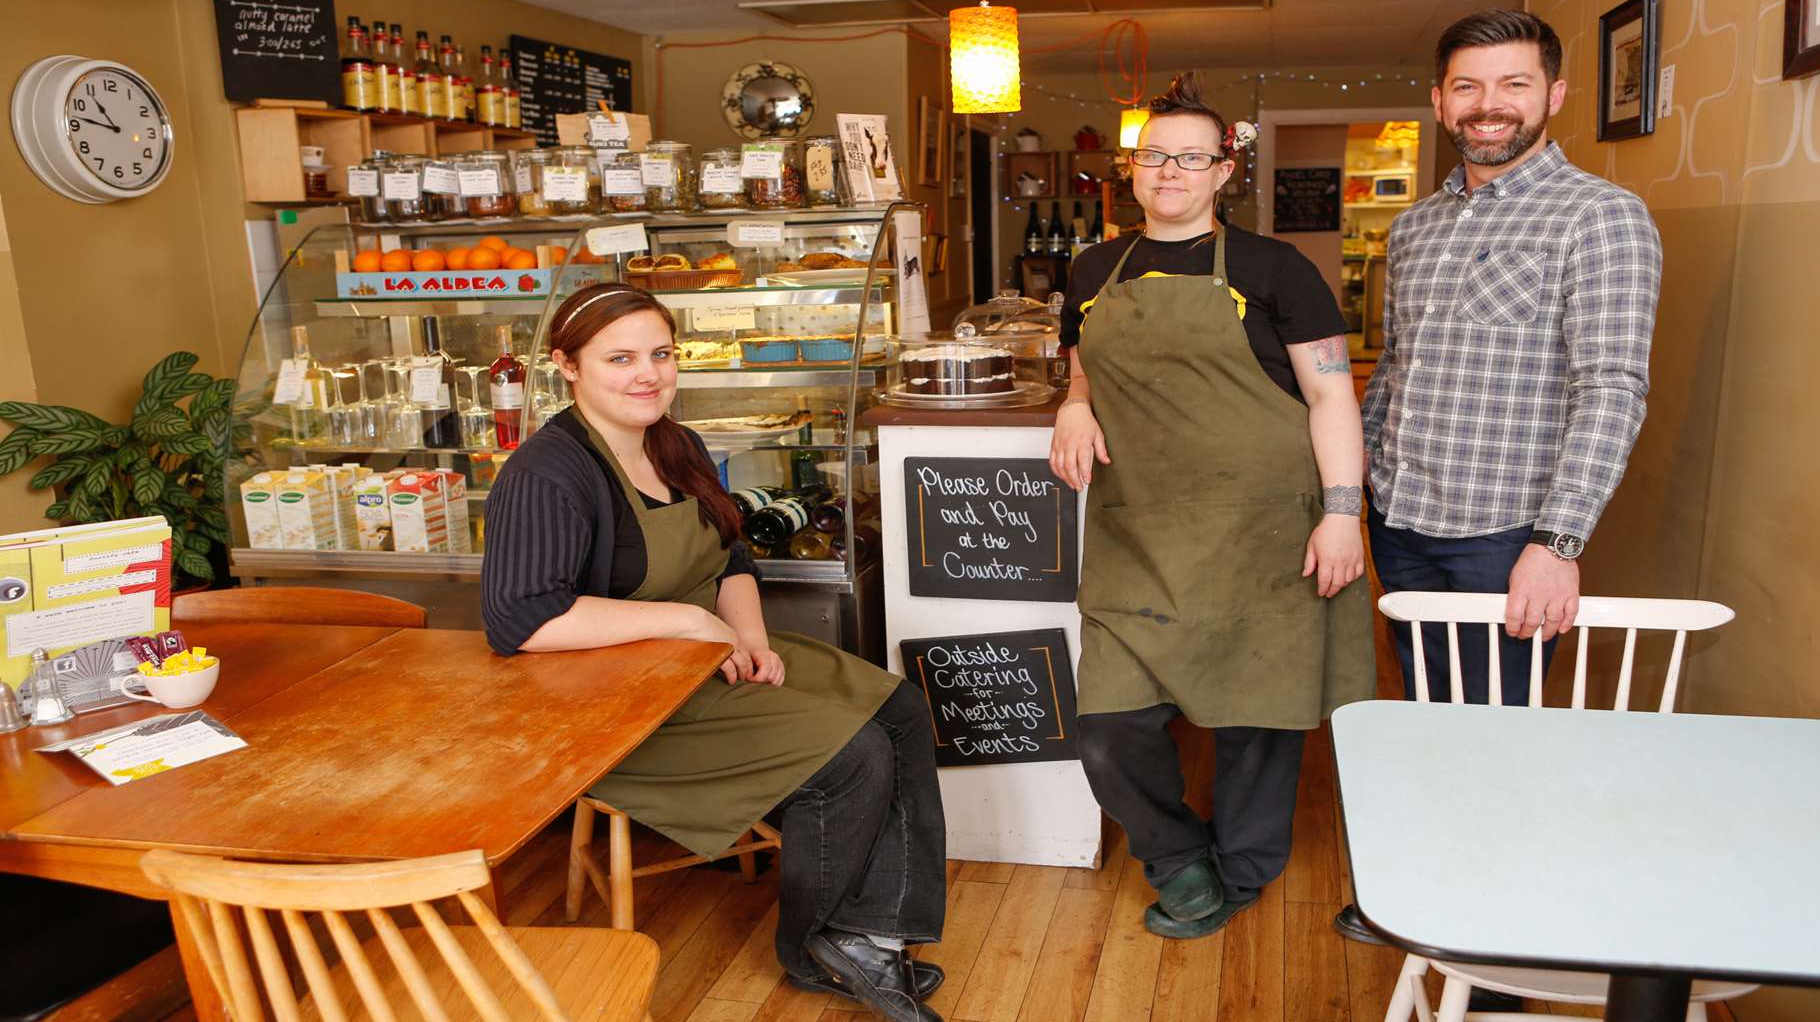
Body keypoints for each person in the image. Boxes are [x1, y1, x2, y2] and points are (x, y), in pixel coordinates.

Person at [481, 285, 947, 1022]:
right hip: (609, 706)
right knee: (850, 757)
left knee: (900, 708)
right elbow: (523, 620)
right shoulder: (548, 472)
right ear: (567, 367)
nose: (648, 375)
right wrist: (686, 624)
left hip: (705, 663)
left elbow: (732, 561)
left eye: (661, 355)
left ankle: (871, 932)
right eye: (621, 358)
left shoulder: (676, 443)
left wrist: (750, 639)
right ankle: (816, 943)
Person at [1338, 9, 1661, 972]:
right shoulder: (1416, 226)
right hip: (1404, 520)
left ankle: (1497, 955)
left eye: (1514, 85)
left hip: (1506, 533)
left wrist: (1557, 543)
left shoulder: (1600, 216)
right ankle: (1433, 895)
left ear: (1554, 96)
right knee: (1431, 720)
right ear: (1440, 102)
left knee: (1501, 742)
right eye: (1469, 88)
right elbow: (1393, 370)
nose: (1490, 108)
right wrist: (1354, 492)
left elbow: (1613, 388)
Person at [1049, 72, 1375, 940]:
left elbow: (1332, 398)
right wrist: (1073, 402)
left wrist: (1342, 512)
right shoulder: (1090, 268)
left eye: (1191, 158)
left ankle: (1243, 867)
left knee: (1258, 715)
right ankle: (1175, 854)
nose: (1170, 172)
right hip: (1137, 529)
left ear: (1223, 171)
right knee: (1109, 726)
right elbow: (1083, 360)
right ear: (1132, 167)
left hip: (1262, 526)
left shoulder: (1276, 268)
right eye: (1155, 156)